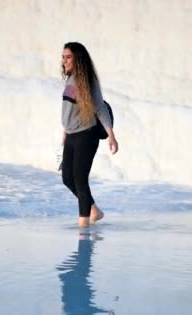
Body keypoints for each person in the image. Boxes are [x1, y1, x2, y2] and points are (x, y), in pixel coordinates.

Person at [60, 42, 118, 228]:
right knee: (67, 178)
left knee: (80, 178)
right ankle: (94, 210)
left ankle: (83, 227)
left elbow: (100, 108)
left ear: (78, 59)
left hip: (86, 135)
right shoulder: (70, 79)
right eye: (63, 57)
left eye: (68, 57)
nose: (64, 61)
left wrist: (111, 135)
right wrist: (65, 131)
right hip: (71, 135)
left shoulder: (88, 81)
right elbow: (71, 110)